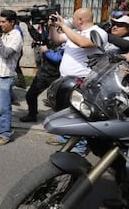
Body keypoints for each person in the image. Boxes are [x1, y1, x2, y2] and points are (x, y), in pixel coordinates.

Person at [45, 8, 108, 154]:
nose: (71, 21)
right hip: (66, 81)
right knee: (66, 112)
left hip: (83, 83)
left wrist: (65, 26)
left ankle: (79, 147)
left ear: (80, 20)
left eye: (73, 19)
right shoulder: (76, 32)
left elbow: (84, 44)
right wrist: (52, 26)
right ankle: (65, 137)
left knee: (79, 115)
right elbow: (57, 39)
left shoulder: (98, 32)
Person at [0, 10, 23, 146]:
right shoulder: (4, 34)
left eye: (3, 22)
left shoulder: (16, 36)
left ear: (12, 22)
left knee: (4, 107)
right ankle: (0, 128)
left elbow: (6, 53)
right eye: (0, 21)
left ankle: (6, 134)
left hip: (5, 76)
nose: (1, 24)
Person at [19, 41, 63, 122]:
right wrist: (30, 27)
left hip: (56, 76)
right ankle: (32, 115)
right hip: (43, 73)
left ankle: (61, 120)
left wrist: (46, 51)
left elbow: (57, 58)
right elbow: (38, 36)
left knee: (59, 100)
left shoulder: (65, 42)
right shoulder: (48, 36)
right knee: (30, 95)